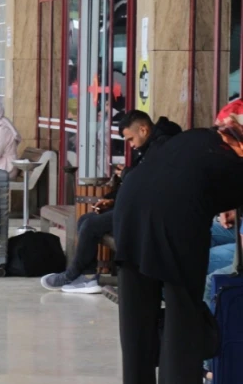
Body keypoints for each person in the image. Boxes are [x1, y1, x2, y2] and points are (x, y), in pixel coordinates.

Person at [111, 101, 243, 384]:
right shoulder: (236, 160)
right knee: (182, 315)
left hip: (129, 213)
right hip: (174, 225)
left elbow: (194, 179)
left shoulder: (196, 138)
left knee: (136, 318)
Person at [41, 111, 181, 294]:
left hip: (150, 215)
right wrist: (112, 200)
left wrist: (125, 174)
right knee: (85, 220)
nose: (130, 145)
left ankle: (73, 275)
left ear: (144, 130)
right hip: (138, 209)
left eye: (130, 139)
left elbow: (148, 183)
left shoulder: (162, 148)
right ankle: (87, 277)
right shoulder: (150, 148)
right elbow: (138, 183)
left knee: (91, 225)